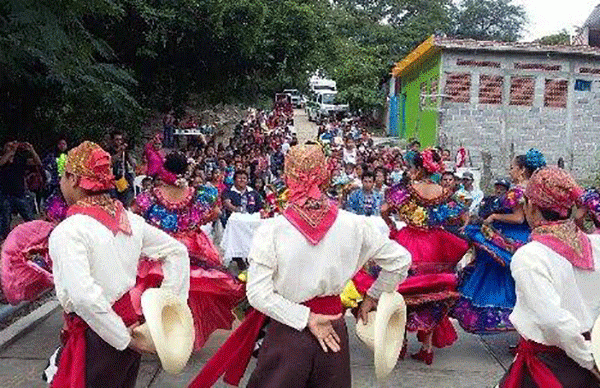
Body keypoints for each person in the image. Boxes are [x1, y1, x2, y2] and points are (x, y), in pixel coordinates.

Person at [188, 144, 411, 388]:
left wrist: (306, 317)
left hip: (288, 331)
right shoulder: (356, 225)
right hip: (333, 328)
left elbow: (258, 294)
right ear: (326, 175)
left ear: (288, 178)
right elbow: (400, 260)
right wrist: (373, 296)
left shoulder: (271, 230)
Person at [46, 141, 190, 388]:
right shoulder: (130, 221)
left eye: (62, 177)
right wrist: (164, 307)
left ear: (72, 179)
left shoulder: (70, 230)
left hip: (98, 335)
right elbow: (177, 252)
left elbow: (84, 298)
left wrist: (122, 338)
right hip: (126, 325)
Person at [355, 148, 469, 365]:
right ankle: (427, 349)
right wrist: (446, 226)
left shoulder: (406, 190)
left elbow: (384, 209)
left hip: (409, 242)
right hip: (437, 245)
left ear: (417, 168)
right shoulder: (444, 192)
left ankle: (401, 344)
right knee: (431, 294)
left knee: (401, 294)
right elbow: (462, 213)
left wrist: (391, 225)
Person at [498, 167, 600, 388]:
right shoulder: (596, 245)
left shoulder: (530, 256)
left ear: (532, 207)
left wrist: (589, 361)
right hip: (592, 356)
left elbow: (553, 321)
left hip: (550, 366)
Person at [132, 152, 245, 350]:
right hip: (193, 246)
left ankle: (159, 336)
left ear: (164, 170)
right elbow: (216, 213)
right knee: (192, 294)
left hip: (161, 248)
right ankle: (184, 339)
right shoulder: (199, 195)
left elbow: (134, 214)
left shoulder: (151, 196)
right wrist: (195, 223)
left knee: (157, 291)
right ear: (186, 170)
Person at [452, 149, 546, 334]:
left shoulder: (519, 190)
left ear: (521, 170)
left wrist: (494, 216)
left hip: (513, 235)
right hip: (525, 235)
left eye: (512, 168)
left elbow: (519, 218)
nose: (510, 171)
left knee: (502, 277)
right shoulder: (534, 189)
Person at [0, 141, 41, 238]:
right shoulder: (2, 159)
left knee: (29, 217)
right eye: (9, 145)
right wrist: (11, 152)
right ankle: (6, 240)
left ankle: (36, 235)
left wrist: (32, 150)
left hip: (19, 194)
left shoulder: (20, 159)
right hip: (5, 194)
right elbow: (1, 162)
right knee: (5, 221)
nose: (12, 146)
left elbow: (38, 162)